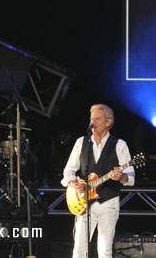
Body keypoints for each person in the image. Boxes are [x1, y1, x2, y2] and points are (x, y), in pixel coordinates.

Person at [62, 104, 135, 258]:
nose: (92, 122)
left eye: (97, 119)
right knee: (79, 251)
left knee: (104, 251)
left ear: (108, 123)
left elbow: (130, 178)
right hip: (84, 202)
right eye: (91, 119)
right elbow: (68, 171)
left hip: (108, 202)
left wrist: (121, 177)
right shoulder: (81, 142)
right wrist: (72, 183)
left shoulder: (119, 145)